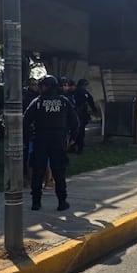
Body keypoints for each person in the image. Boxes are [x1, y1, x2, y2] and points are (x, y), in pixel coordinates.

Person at [23, 75, 79, 211]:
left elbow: (25, 121)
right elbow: (75, 122)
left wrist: (26, 139)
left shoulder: (37, 102)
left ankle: (36, 202)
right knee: (59, 171)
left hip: (41, 139)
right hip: (58, 139)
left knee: (38, 171)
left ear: (45, 86)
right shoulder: (64, 101)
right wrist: (73, 138)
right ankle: (62, 202)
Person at [72, 78, 99, 154]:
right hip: (81, 114)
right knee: (81, 131)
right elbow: (91, 102)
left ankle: (75, 146)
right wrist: (95, 111)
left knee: (76, 130)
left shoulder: (75, 92)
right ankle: (79, 147)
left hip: (77, 113)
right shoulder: (84, 92)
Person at [22, 77, 40, 174]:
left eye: (37, 84)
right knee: (27, 148)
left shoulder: (39, 96)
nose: (36, 87)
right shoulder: (26, 96)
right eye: (33, 84)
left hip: (37, 125)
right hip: (27, 124)